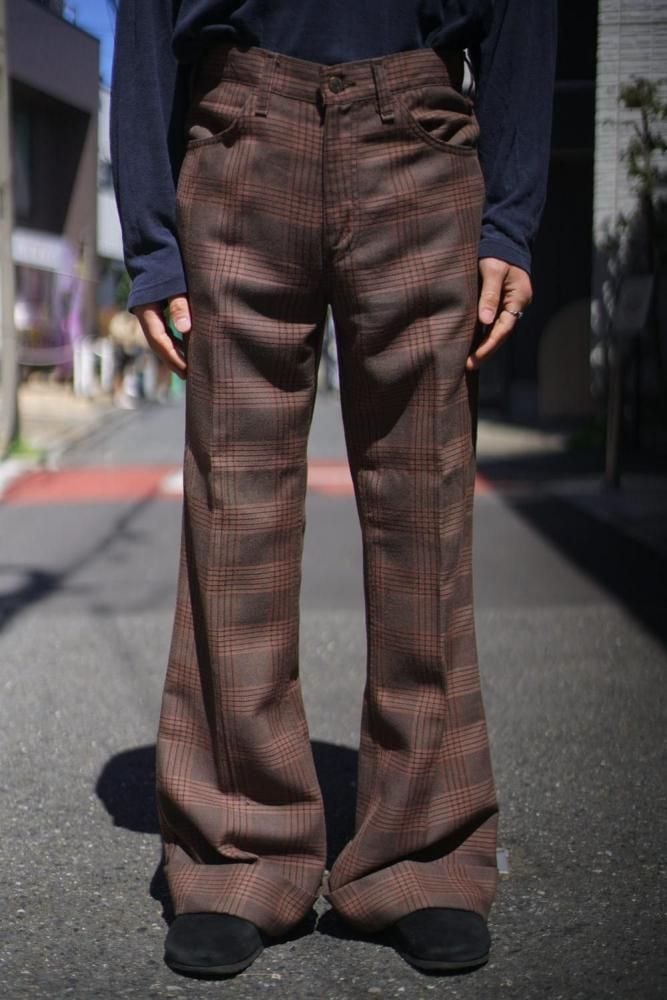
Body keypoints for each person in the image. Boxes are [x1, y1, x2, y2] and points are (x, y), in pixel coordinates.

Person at [111, 0, 557, 979]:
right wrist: (151, 239)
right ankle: (239, 852)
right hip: (238, 128)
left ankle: (426, 854)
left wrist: (510, 218)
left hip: (421, 131)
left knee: (425, 514)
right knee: (233, 517)